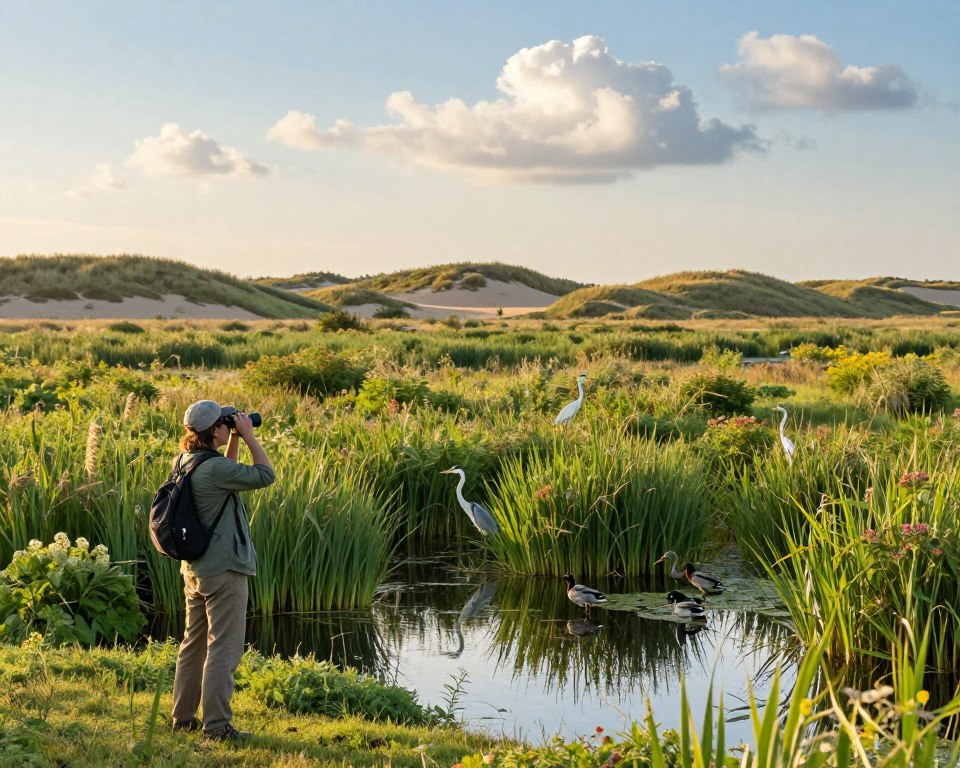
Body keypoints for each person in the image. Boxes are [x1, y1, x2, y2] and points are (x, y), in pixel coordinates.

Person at [170, 399, 275, 742]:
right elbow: (265, 474)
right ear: (214, 429)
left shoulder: (186, 461)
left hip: (195, 569)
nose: (228, 427)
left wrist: (232, 439)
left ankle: (183, 717)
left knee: (193, 644)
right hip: (224, 570)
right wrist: (247, 435)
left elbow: (223, 474)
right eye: (224, 424)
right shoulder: (213, 469)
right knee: (223, 649)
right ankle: (216, 727)